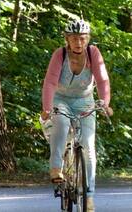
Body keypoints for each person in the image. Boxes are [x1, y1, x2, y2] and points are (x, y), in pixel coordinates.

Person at [41, 19, 112, 210]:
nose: (78, 42)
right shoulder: (60, 55)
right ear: (67, 39)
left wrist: (105, 103)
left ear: (87, 39)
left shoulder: (93, 53)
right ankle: (56, 168)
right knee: (61, 126)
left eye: (82, 38)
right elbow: (50, 83)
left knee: (88, 147)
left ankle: (89, 196)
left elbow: (103, 80)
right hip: (61, 99)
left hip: (84, 101)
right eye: (73, 38)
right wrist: (47, 109)